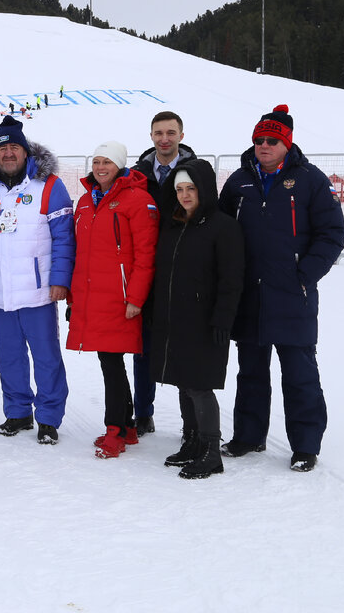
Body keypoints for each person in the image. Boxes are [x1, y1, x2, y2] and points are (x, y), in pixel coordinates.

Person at [218, 105, 344, 472]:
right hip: (250, 295)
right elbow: (222, 232)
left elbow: (332, 234)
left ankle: (305, 445)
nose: (263, 145)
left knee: (300, 373)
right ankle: (248, 435)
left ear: (287, 143)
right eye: (258, 139)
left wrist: (304, 275)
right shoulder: (239, 181)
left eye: (272, 140)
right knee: (251, 371)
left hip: (293, 295)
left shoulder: (311, 180)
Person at [0, 116, 74, 445]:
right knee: (8, 355)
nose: (9, 154)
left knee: (46, 355)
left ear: (26, 152)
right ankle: (18, 412)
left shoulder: (49, 185)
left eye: (15, 147)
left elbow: (64, 238)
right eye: (3, 148)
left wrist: (60, 280)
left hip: (38, 290)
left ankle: (48, 417)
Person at [149, 160, 244, 479]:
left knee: (200, 386)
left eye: (191, 188)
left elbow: (232, 279)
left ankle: (211, 452)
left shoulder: (223, 226)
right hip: (174, 317)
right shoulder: (173, 225)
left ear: (204, 189)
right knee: (182, 380)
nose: (185, 195)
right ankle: (191, 441)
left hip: (206, 320)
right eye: (179, 189)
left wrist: (222, 320)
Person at [66, 141, 159, 459]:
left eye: (107, 161)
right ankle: (128, 426)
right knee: (111, 362)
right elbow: (80, 254)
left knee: (112, 363)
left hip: (121, 299)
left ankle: (115, 430)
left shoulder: (138, 200)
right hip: (94, 296)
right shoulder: (85, 202)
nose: (100, 167)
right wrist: (74, 297)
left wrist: (135, 297)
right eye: (96, 161)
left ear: (120, 165)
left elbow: (146, 255)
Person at [126, 110, 198, 441]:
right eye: (158, 133)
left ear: (181, 136)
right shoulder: (138, 173)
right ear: (151, 136)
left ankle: (192, 421)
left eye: (171, 132)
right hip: (146, 270)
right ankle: (143, 413)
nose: (164, 138)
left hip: (182, 272)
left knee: (185, 348)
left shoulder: (196, 172)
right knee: (143, 349)